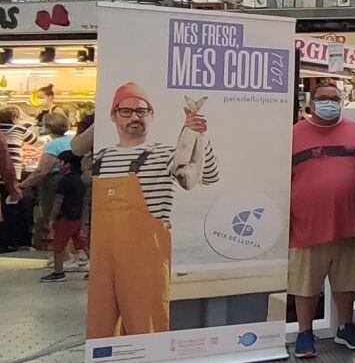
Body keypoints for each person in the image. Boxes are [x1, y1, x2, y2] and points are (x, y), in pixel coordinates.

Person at [86, 82, 219, 339]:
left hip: (146, 255)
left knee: (146, 326)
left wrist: (199, 136)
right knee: (100, 327)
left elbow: (208, 177)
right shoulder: (100, 157)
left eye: (141, 111)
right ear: (113, 116)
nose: (134, 117)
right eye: (125, 111)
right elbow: (75, 151)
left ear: (151, 115)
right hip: (103, 257)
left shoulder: (164, 153)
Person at [288, 83, 355, 359]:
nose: (329, 103)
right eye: (323, 98)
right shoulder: (293, 134)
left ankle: (346, 326)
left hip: (350, 221)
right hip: (306, 223)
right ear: (311, 102)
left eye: (335, 98)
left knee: (348, 280)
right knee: (305, 283)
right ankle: (304, 332)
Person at [22, 112, 72, 249]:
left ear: (47, 127)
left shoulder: (52, 144)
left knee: (50, 215)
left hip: (54, 182)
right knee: (70, 217)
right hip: (74, 182)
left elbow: (42, 171)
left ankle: (53, 249)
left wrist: (22, 185)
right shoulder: (73, 139)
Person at [40, 151, 87, 282]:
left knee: (58, 246)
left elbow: (58, 201)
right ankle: (96, 268)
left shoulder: (64, 181)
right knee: (82, 243)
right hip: (77, 217)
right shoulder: (80, 180)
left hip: (65, 217)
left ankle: (58, 272)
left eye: (60, 162)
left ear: (68, 165)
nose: (58, 164)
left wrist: (51, 218)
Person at [0, 107, 33, 252]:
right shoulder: (19, 130)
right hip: (9, 176)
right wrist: (13, 186)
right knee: (10, 209)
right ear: (15, 117)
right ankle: (11, 242)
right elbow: (6, 164)